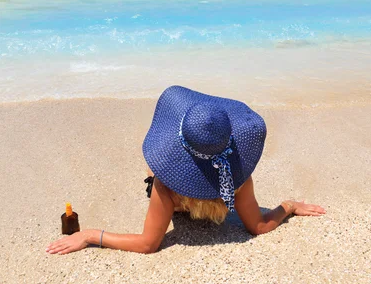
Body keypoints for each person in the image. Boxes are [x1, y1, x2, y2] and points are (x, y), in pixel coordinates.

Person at [46, 86, 326, 255]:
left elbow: (147, 244)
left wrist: (90, 235)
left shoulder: (166, 183)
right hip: (217, 202)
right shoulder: (238, 175)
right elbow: (259, 226)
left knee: (152, 162)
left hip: (177, 201)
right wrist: (289, 206)